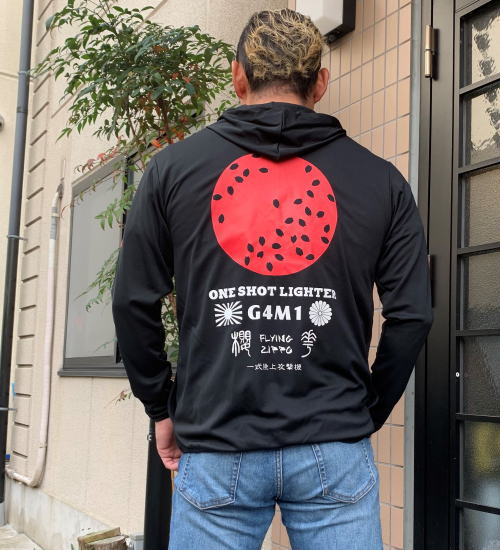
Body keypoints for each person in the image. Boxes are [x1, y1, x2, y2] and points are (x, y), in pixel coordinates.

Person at [111, 8, 433, 550]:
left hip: (216, 438)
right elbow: (412, 314)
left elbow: (132, 302)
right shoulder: (381, 181)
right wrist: (366, 410)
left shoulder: (172, 170)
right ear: (320, 83)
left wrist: (160, 407)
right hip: (334, 441)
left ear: (238, 76)